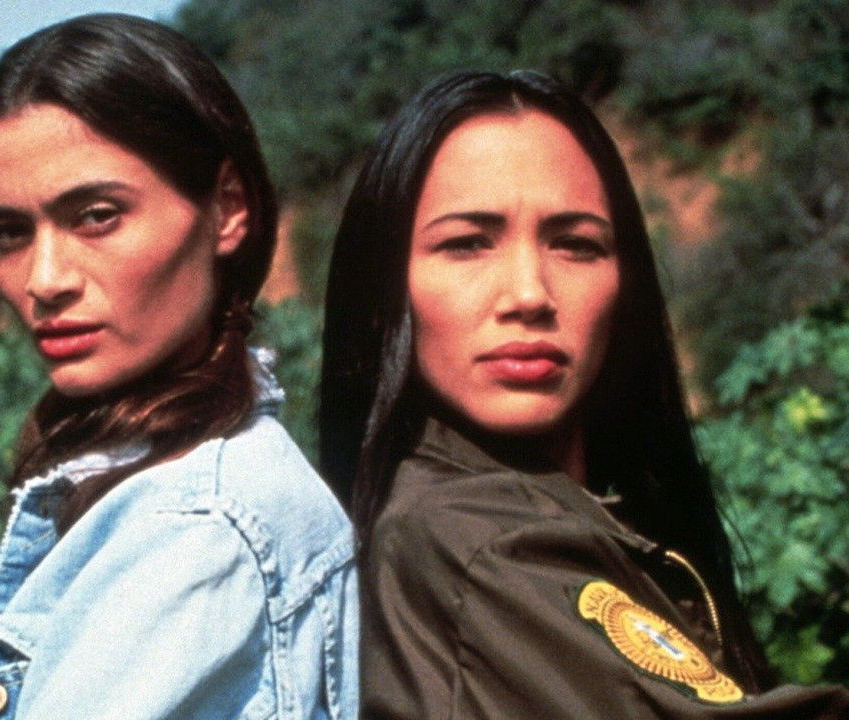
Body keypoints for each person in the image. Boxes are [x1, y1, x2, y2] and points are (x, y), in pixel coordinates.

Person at [320, 70, 849, 719]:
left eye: (576, 245)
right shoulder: (478, 543)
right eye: (466, 245)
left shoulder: (570, 515)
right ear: (382, 291)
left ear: (625, 285)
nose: (529, 294)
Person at [0, 14, 356, 720]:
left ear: (227, 207)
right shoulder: (159, 489)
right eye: (8, 233)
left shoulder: (201, 533)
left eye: (96, 216)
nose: (44, 280)